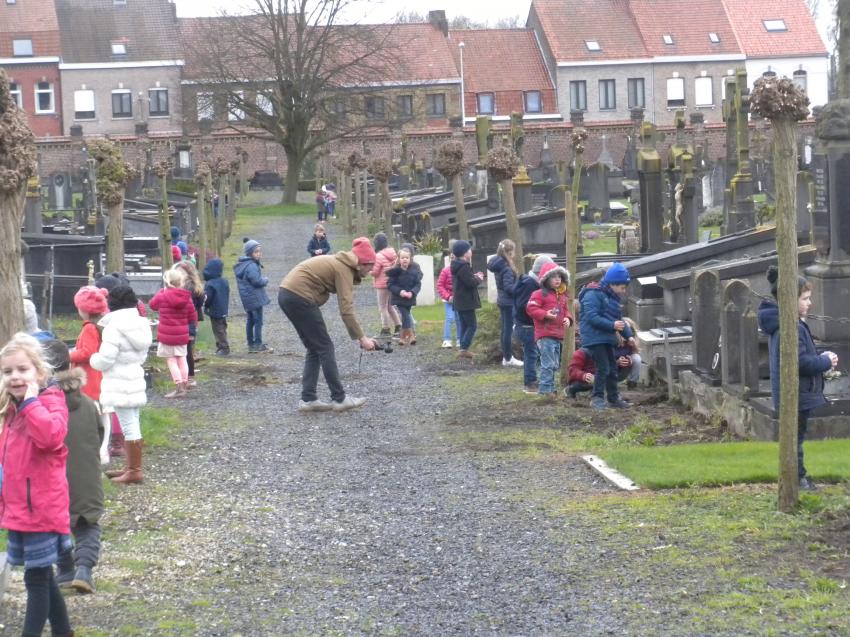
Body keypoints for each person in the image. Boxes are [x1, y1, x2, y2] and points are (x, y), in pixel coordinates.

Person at [0, 333, 74, 637]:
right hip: (20, 508)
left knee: (36, 579)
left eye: (22, 369)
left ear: (39, 373)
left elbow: (50, 438)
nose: (15, 377)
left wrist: (31, 403)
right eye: (8, 371)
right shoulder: (10, 409)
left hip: (42, 509)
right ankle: (63, 630)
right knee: (41, 574)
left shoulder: (50, 402)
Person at [757, 266, 838, 491]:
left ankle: (797, 477)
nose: (809, 303)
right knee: (795, 441)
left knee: (795, 438)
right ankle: (798, 479)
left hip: (797, 395)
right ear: (789, 299)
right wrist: (825, 361)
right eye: (805, 298)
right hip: (796, 395)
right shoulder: (789, 327)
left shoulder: (788, 324)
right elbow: (799, 362)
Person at [279, 237, 378, 412]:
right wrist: (362, 338)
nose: (371, 271)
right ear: (364, 262)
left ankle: (308, 399)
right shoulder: (343, 269)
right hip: (299, 296)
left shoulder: (340, 264)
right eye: (371, 266)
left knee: (315, 347)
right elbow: (346, 309)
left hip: (287, 295)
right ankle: (339, 398)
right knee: (325, 347)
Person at [42, 340, 104, 595]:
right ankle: (84, 570)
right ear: (69, 364)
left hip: (50, 478)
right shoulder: (88, 403)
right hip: (86, 476)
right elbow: (99, 434)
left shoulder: (38, 407)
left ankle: (65, 569)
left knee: (55, 525)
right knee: (87, 524)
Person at [91, 285, 152, 485]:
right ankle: (130, 467)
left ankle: (134, 471)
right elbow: (142, 355)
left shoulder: (113, 327)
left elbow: (106, 359)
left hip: (118, 380)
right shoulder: (141, 324)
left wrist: (93, 359)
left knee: (129, 425)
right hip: (134, 376)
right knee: (133, 421)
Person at [578, 262, 634, 410]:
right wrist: (612, 326)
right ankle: (597, 398)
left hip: (607, 338)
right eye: (622, 287)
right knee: (603, 367)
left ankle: (613, 398)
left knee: (612, 368)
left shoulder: (612, 297)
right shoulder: (593, 293)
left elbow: (619, 319)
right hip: (594, 338)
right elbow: (592, 317)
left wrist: (629, 336)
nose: (623, 291)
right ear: (613, 284)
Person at [70, 285, 111, 465]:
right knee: (104, 413)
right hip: (98, 375)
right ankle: (104, 449)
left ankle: (98, 450)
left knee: (94, 413)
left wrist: (69, 354)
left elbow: (87, 352)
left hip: (89, 378)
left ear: (84, 309)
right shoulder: (99, 326)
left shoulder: (88, 328)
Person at [526, 262, 573, 397]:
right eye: (553, 277)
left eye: (559, 276)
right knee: (548, 362)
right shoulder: (539, 294)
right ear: (546, 279)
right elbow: (531, 308)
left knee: (554, 363)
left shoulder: (562, 295)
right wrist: (545, 314)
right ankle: (546, 389)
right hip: (545, 334)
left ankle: (550, 387)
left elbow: (565, 311)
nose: (557, 279)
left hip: (558, 334)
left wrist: (568, 319)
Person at [149, 269, 197, 398]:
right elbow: (193, 316)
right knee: (182, 358)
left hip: (166, 335)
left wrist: (160, 292)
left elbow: (152, 305)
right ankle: (185, 383)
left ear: (166, 282)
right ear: (181, 282)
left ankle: (179, 386)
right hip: (182, 334)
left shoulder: (162, 295)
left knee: (171, 360)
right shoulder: (186, 297)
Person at [513, 255, 555, 394]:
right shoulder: (530, 285)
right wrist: (542, 314)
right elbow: (523, 306)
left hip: (526, 325)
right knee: (531, 354)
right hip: (527, 326)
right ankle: (530, 383)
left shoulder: (530, 283)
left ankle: (532, 381)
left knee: (532, 354)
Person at [567, 327, 642, 399]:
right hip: (581, 379)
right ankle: (571, 390)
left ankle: (603, 393)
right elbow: (572, 370)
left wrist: (623, 361)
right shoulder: (581, 353)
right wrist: (583, 375)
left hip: (597, 377)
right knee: (595, 379)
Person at [488, 239, 522, 367]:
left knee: (505, 330)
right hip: (508, 303)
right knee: (507, 330)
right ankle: (508, 358)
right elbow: (508, 287)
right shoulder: (507, 268)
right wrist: (519, 287)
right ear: (509, 252)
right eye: (513, 251)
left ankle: (506, 357)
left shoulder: (499, 265)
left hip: (502, 301)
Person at [234, 239, 272, 353]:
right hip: (254, 298)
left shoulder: (245, 264)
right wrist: (265, 280)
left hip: (248, 299)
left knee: (250, 320)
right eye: (256, 252)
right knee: (258, 321)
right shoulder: (251, 266)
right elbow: (256, 281)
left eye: (259, 251)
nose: (259, 254)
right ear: (250, 253)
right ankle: (258, 344)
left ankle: (251, 344)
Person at [172, 260, 205, 388]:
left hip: (187, 320)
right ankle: (185, 375)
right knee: (185, 349)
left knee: (186, 350)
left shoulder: (188, 288)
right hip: (187, 319)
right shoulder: (193, 286)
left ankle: (188, 376)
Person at [450, 240, 484, 359]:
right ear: (465, 253)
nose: (471, 251)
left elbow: (465, 280)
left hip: (460, 301)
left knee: (464, 325)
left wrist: (474, 276)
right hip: (466, 301)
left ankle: (463, 349)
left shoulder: (457, 265)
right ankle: (464, 348)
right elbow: (470, 283)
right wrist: (479, 278)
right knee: (472, 325)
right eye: (469, 249)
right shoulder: (463, 266)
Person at [386, 246, 423, 346]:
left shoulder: (414, 271)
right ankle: (411, 336)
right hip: (399, 298)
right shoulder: (395, 271)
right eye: (402, 258)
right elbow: (390, 285)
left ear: (410, 259)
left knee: (405, 316)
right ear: (399, 259)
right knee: (405, 315)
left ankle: (402, 337)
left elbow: (418, 284)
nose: (405, 259)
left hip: (410, 298)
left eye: (407, 257)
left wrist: (412, 292)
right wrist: (400, 291)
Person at [370, 232, 401, 338]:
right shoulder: (393, 253)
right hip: (391, 284)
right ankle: (398, 327)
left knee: (383, 307)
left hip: (382, 285)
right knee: (390, 306)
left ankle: (386, 329)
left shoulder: (378, 256)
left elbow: (375, 272)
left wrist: (369, 270)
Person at [203, 258, 231, 356]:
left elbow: (208, 298)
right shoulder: (224, 281)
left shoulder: (210, 284)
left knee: (218, 329)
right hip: (223, 308)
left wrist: (206, 305)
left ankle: (224, 348)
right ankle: (221, 346)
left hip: (214, 310)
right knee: (222, 327)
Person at [436, 257, 457, 348]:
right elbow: (440, 285)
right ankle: (447, 339)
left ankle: (459, 339)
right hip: (448, 299)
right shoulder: (445, 271)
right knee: (450, 318)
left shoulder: (462, 270)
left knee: (459, 319)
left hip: (460, 299)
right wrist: (448, 296)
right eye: (452, 258)